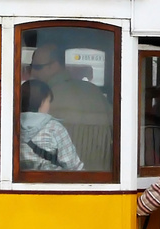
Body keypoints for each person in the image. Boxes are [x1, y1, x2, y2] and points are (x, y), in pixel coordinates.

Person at [28, 42, 112, 170]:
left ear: (55, 65)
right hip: (103, 178)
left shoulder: (44, 99)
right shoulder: (94, 92)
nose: (32, 72)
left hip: (63, 179)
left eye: (37, 67)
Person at [19, 80, 84, 172]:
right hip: (50, 182)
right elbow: (72, 164)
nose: (49, 106)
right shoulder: (54, 128)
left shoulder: (10, 126)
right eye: (48, 101)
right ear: (41, 102)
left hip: (21, 183)